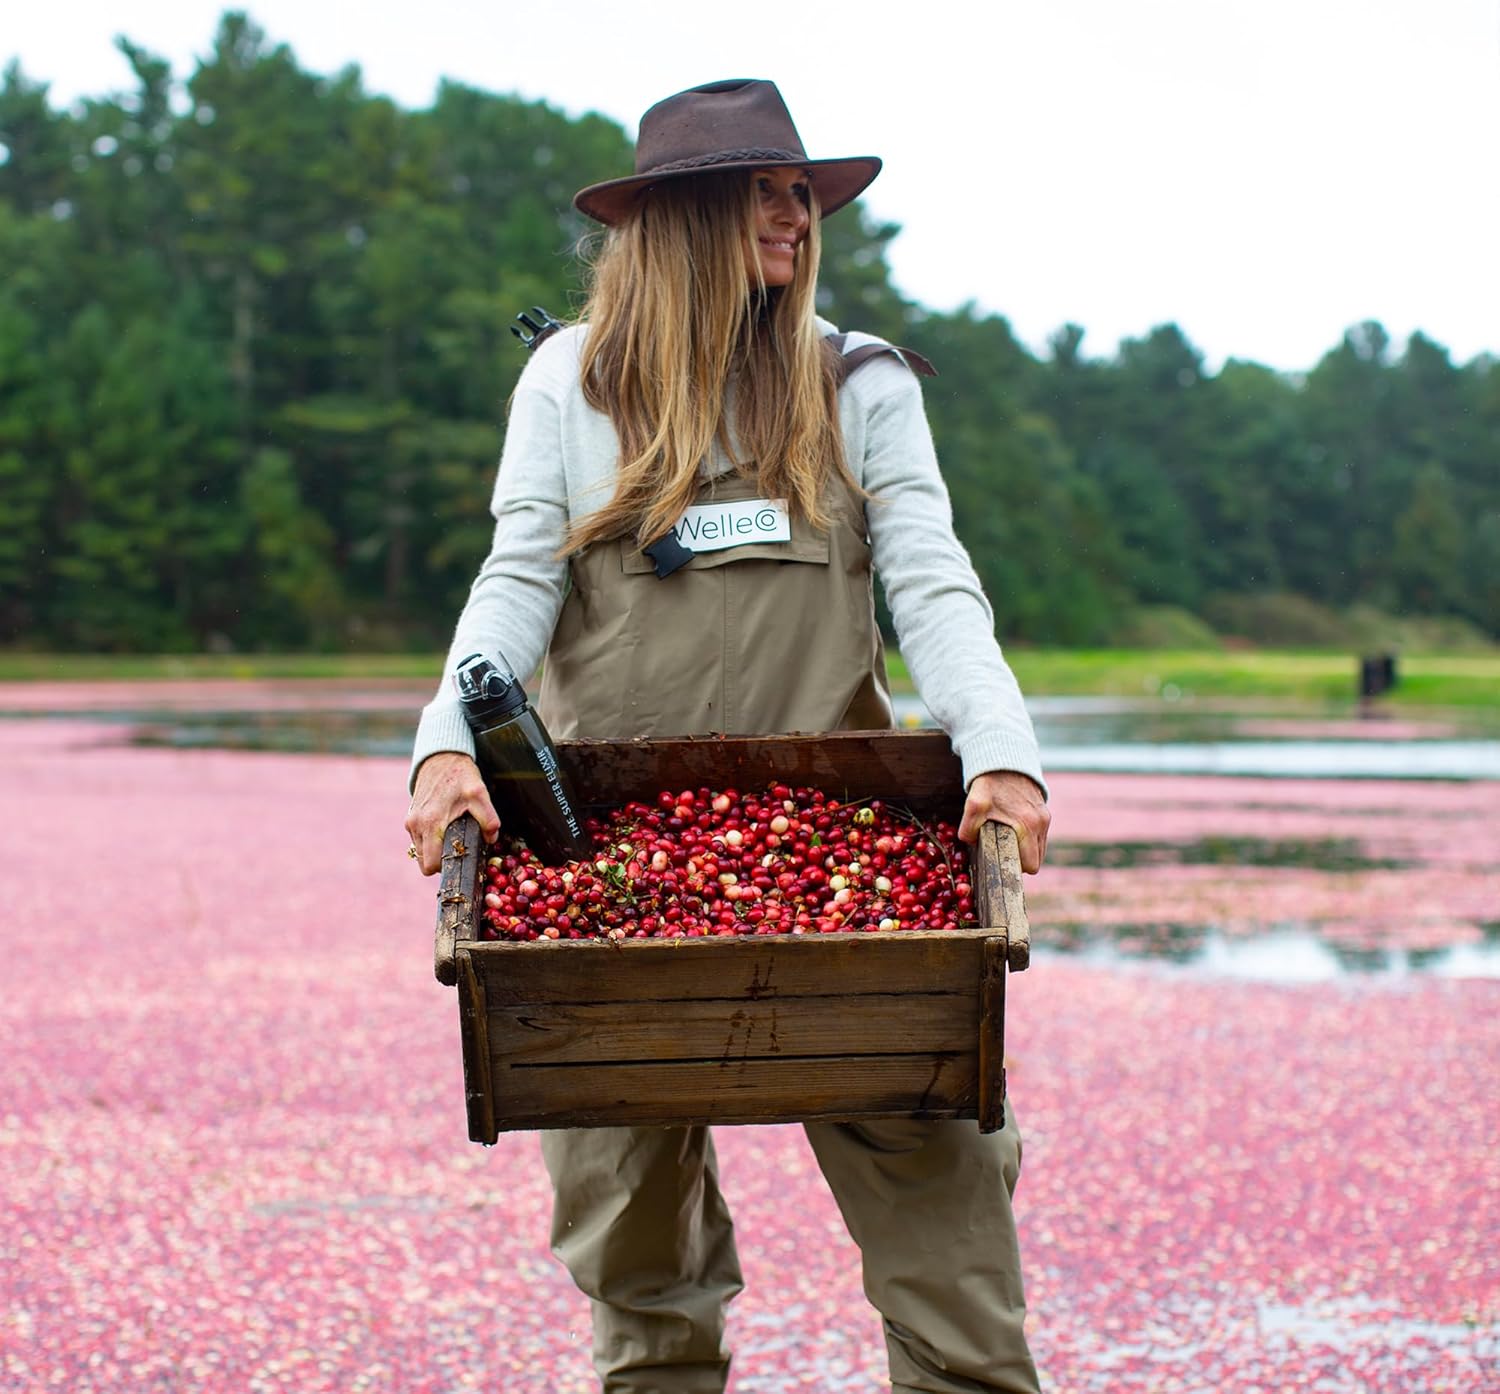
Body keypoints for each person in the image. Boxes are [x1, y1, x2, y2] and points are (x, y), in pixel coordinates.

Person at [405, 78, 1050, 1394]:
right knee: (640, 1271)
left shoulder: (860, 380)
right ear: (679, 219)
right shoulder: (569, 382)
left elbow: (933, 580)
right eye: (760, 190)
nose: (792, 212)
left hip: (854, 872)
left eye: (800, 191)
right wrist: (441, 745)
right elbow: (513, 586)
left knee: (953, 1234)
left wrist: (1002, 752)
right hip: (601, 870)